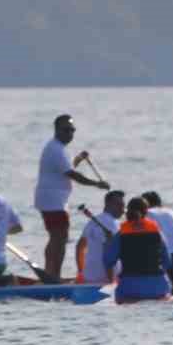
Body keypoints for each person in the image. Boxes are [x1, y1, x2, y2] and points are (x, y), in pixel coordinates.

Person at [34, 114, 108, 282]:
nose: (70, 134)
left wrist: (78, 159)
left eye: (72, 130)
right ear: (57, 130)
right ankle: (54, 277)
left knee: (55, 237)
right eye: (66, 130)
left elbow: (65, 169)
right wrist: (97, 184)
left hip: (50, 200)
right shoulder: (56, 149)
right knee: (60, 238)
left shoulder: (57, 149)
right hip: (53, 201)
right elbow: (73, 175)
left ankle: (49, 273)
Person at [103, 197, 172, 303]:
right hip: (158, 287)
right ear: (146, 212)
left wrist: (108, 243)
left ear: (128, 211)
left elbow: (108, 260)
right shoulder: (157, 232)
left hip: (130, 289)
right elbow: (167, 262)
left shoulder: (121, 234)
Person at [75, 190, 124, 284]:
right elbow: (109, 255)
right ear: (109, 204)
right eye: (119, 205)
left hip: (89, 277)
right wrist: (111, 282)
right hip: (106, 279)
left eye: (123, 206)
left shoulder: (92, 222)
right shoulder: (112, 224)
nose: (123, 210)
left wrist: (81, 272)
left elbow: (80, 247)